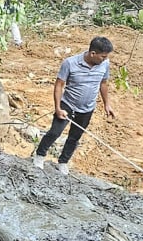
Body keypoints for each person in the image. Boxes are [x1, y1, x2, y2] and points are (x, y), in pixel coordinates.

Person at [32, 36, 115, 175]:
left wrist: (107, 104)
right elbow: (59, 85)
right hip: (68, 104)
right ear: (93, 54)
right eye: (103, 57)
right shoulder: (70, 63)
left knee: (75, 137)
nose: (105, 59)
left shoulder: (105, 65)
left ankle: (63, 162)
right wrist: (58, 108)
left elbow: (103, 83)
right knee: (55, 132)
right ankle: (40, 155)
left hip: (87, 108)